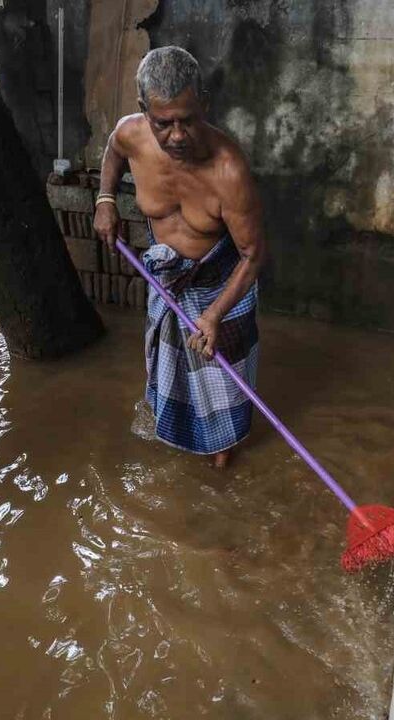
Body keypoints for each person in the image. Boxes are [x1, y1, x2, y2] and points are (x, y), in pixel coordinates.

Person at [94, 46, 266, 469]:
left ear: (204, 105)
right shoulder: (131, 134)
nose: (176, 135)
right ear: (143, 112)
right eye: (163, 123)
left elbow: (254, 255)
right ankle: (178, 451)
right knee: (166, 388)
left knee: (224, 415)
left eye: (187, 120)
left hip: (222, 286)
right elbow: (113, 153)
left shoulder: (228, 171)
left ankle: (221, 467)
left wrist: (214, 315)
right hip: (167, 281)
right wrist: (105, 198)